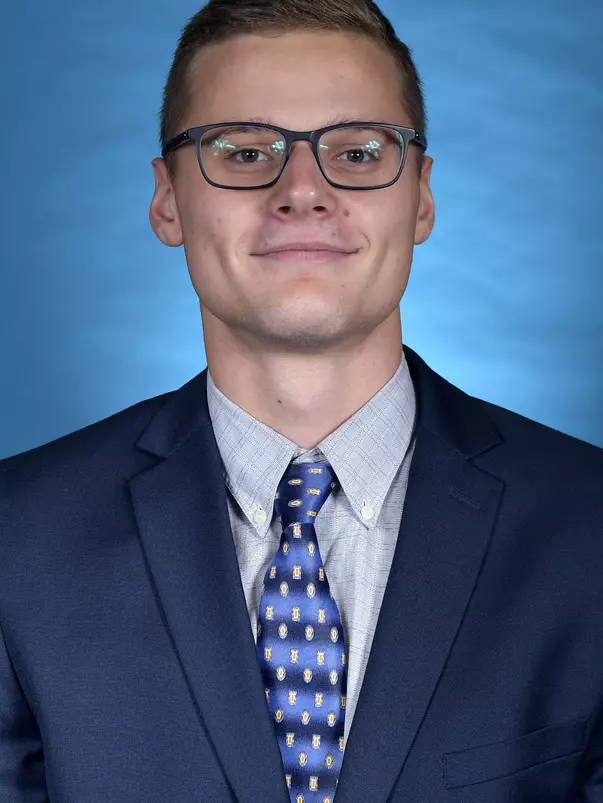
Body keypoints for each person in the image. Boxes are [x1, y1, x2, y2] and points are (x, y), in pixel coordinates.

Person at [1, 0, 602, 800]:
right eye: (244, 150)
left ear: (420, 197)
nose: (302, 191)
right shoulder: (16, 539)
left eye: (356, 151)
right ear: (168, 200)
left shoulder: (588, 526)